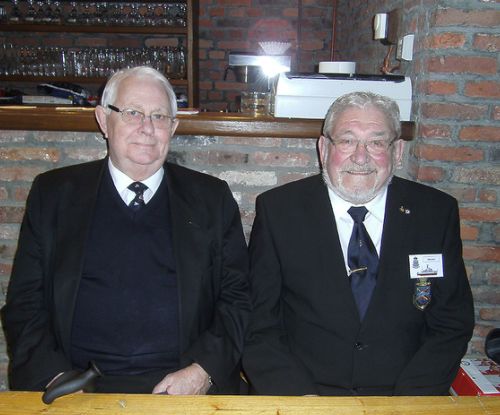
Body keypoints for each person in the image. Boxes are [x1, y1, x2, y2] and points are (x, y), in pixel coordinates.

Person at [2, 66, 250, 395]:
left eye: (159, 116)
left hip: (184, 386)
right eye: (132, 113)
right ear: (104, 120)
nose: (147, 128)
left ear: (173, 128)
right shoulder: (54, 194)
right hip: (76, 385)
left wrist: (203, 371)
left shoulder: (211, 198)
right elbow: (24, 302)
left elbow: (238, 298)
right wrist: (54, 377)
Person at [243, 91, 474, 396]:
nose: (361, 157)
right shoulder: (279, 212)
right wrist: (301, 400)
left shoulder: (435, 214)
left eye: (376, 143)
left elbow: (451, 322)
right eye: (347, 141)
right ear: (324, 149)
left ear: (397, 151)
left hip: (405, 397)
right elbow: (257, 323)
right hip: (304, 396)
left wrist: (409, 402)